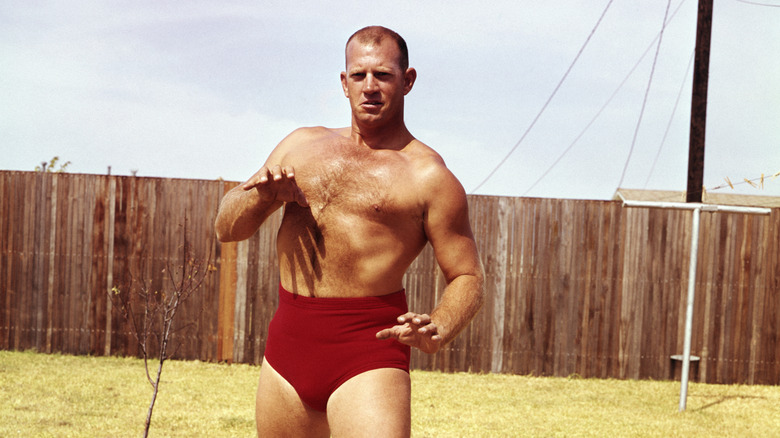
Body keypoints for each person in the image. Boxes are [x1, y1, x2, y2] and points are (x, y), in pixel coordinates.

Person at [214, 25, 484, 437]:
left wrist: (440, 327)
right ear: (344, 83)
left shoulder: (429, 176)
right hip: (287, 347)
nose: (370, 86)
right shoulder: (300, 144)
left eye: (384, 75)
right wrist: (263, 198)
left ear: (407, 80)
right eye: (359, 75)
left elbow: (468, 276)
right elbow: (225, 228)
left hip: (367, 352)